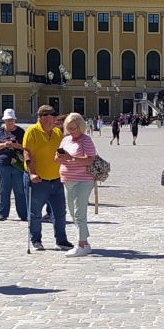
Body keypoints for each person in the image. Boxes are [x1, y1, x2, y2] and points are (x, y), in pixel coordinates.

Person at [23, 105, 71, 252]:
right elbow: (27, 154)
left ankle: (61, 240)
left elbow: (61, 152)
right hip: (38, 181)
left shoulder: (57, 132)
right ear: (43, 117)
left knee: (60, 212)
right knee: (35, 212)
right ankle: (36, 239)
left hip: (56, 180)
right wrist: (32, 173)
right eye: (53, 115)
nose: (55, 118)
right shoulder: (32, 131)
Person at [56, 113, 97, 257]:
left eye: (74, 128)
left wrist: (71, 157)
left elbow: (90, 160)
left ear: (81, 127)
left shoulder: (86, 140)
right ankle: (85, 242)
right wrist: (59, 158)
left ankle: (81, 244)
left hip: (83, 180)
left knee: (79, 212)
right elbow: (58, 157)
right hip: (67, 179)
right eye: (69, 128)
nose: (72, 131)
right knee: (73, 212)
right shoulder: (65, 140)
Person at [0, 108, 28, 222]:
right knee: (4, 189)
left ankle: (23, 214)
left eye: (12, 120)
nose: (10, 122)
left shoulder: (21, 132)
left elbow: (26, 147)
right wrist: (4, 144)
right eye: (8, 120)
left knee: (19, 190)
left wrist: (16, 145)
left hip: (17, 164)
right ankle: (3, 214)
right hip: (3, 163)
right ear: (4, 120)